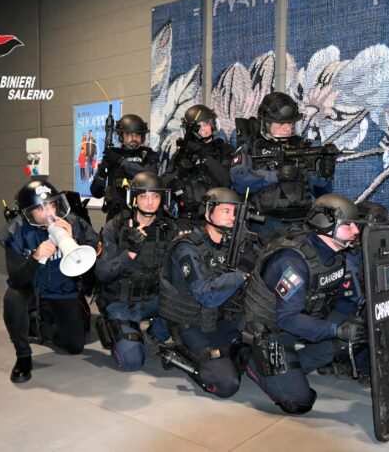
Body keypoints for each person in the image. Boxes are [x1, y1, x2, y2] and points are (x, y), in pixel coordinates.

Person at [241, 194, 368, 414]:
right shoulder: (293, 262)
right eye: (348, 225)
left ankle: (289, 366)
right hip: (271, 330)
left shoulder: (336, 254)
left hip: (303, 319)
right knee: (298, 401)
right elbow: (287, 319)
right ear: (325, 224)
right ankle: (251, 361)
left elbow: (340, 299)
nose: (356, 230)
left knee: (356, 332)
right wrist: (335, 330)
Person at [0, 180, 99, 383]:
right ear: (28, 212)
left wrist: (74, 239)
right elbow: (16, 278)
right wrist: (35, 257)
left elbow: (94, 251)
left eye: (51, 205)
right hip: (31, 287)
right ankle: (23, 356)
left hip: (61, 287)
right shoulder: (17, 230)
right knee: (13, 298)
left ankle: (40, 326)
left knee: (74, 346)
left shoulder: (72, 222)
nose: (49, 212)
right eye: (40, 208)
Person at [158, 188, 255, 398]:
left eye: (236, 212)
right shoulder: (187, 247)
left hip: (224, 320)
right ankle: (178, 353)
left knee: (260, 357)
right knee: (227, 384)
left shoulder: (236, 244)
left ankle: (226, 353)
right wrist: (241, 275)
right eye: (226, 211)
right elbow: (206, 296)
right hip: (193, 324)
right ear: (208, 211)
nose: (232, 217)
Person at [95, 172, 175, 371]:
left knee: (186, 303)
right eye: (143, 196)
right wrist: (129, 253)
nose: (150, 202)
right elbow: (102, 273)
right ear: (134, 199)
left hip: (153, 298)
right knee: (132, 361)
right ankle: (120, 329)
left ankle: (153, 335)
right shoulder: (115, 226)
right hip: (122, 301)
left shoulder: (168, 228)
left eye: (155, 196)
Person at [230, 92, 334, 243]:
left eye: (290, 124)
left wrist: (324, 176)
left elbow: (321, 193)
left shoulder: (301, 148)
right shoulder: (251, 147)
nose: (288, 128)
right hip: (264, 223)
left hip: (300, 224)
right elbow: (238, 181)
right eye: (281, 124)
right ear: (266, 123)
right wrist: (275, 176)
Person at [162, 105, 233, 225]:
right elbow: (164, 184)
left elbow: (226, 181)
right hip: (185, 218)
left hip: (215, 216)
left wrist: (204, 156)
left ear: (213, 125)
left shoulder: (224, 150)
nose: (203, 128)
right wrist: (179, 173)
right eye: (198, 126)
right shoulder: (181, 154)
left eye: (206, 123)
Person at [91, 114, 158, 221]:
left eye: (137, 135)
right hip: (116, 216)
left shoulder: (149, 155)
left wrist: (121, 161)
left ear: (142, 137)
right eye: (129, 134)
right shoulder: (112, 155)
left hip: (143, 215)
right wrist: (102, 173)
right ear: (121, 136)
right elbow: (96, 193)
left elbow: (150, 173)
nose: (134, 138)